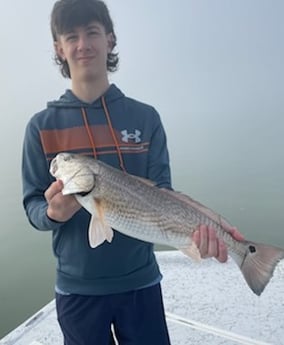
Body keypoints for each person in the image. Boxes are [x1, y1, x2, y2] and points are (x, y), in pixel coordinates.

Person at [21, 0, 243, 344]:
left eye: (92, 32)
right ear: (58, 48)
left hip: (141, 285)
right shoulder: (41, 127)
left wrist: (204, 226)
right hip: (77, 290)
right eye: (71, 36)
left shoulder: (145, 118)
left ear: (109, 39)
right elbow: (32, 204)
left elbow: (163, 194)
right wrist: (51, 212)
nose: (83, 44)